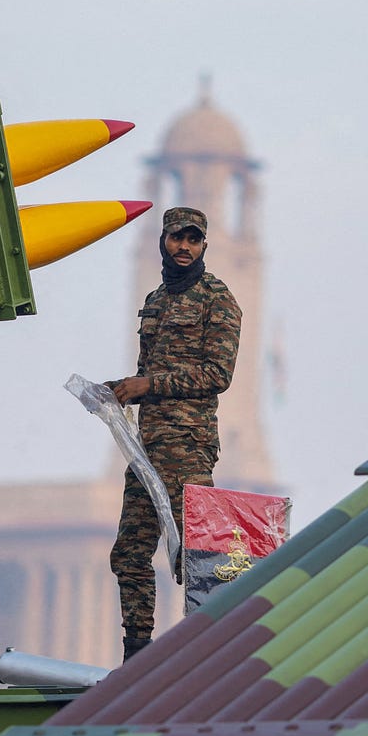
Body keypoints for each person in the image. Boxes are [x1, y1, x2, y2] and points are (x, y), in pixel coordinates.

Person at [108, 206, 242, 661]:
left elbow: (217, 373)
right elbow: (153, 372)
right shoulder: (157, 300)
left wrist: (151, 385)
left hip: (188, 446)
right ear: (162, 241)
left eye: (193, 239)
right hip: (147, 449)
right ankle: (137, 654)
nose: (184, 247)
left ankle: (208, 652)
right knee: (128, 554)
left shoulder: (217, 299)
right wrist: (125, 389)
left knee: (201, 558)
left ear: (204, 245)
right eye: (176, 238)